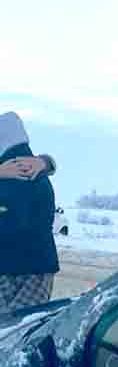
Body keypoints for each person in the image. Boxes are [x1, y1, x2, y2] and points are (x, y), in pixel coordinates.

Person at [0, 111, 60, 312]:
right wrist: (45, 162)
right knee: (24, 328)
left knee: (9, 333)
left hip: (9, 265)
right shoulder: (36, 171)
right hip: (39, 266)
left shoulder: (12, 173)